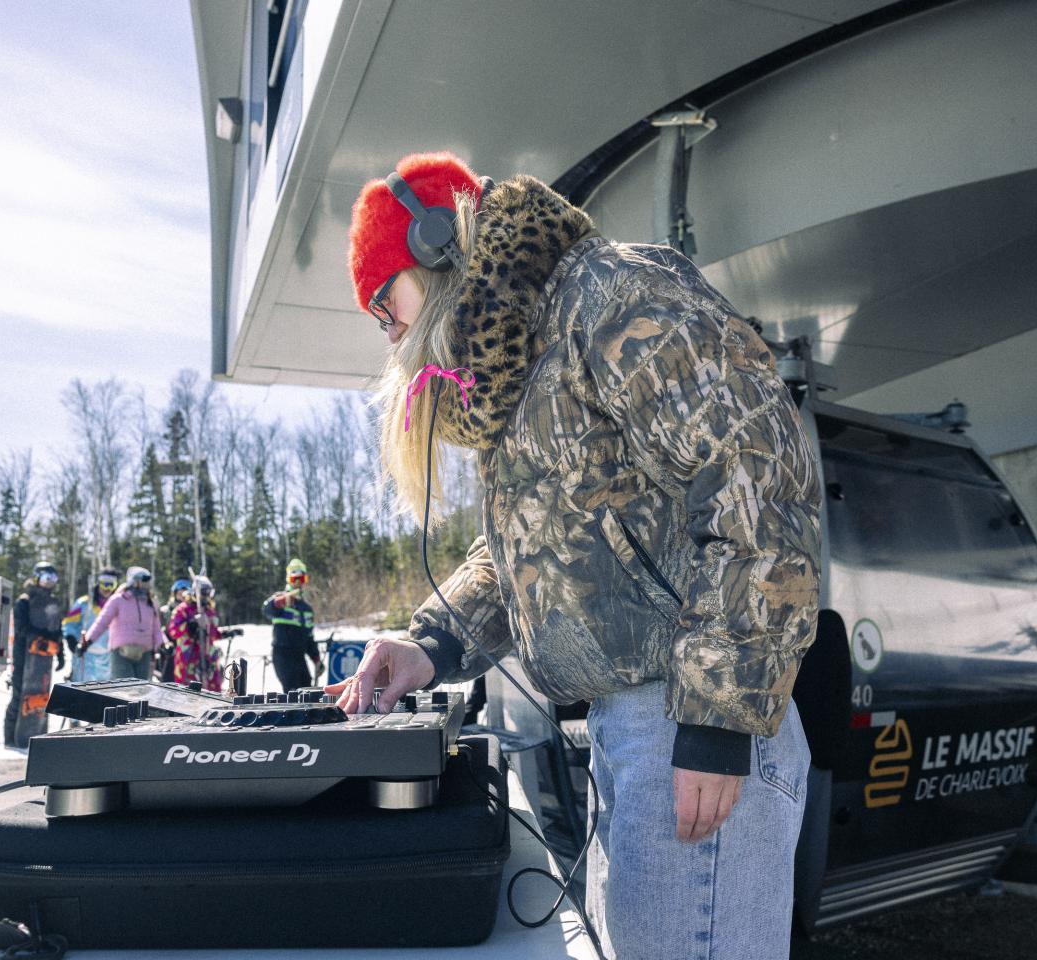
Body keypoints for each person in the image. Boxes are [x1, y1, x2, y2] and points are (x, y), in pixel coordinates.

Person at [331, 154, 821, 959]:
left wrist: (717, 722)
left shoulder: (612, 298)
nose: (387, 330)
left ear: (439, 246)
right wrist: (429, 643)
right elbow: (538, 547)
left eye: (386, 301)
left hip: (690, 722)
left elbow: (757, 473)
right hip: (630, 733)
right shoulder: (524, 367)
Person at [6, 560, 65, 748]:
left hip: (45, 658)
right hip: (25, 655)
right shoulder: (24, 601)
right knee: (19, 696)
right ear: (37, 577)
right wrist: (41, 640)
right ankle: (10, 740)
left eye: (53, 578)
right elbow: (22, 629)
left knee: (41, 696)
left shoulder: (53, 602)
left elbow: (57, 630)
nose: (49, 582)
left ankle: (37, 734)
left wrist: (60, 651)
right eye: (46, 577)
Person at [83, 566, 159, 680]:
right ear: (135, 581)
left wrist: (163, 645)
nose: (147, 584)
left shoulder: (149, 603)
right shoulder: (118, 600)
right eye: (144, 580)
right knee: (123, 690)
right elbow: (102, 621)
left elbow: (156, 628)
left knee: (142, 689)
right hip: (121, 652)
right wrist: (88, 641)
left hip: (144, 653)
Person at [262, 558, 322, 693]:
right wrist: (278, 602)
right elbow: (266, 610)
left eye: (301, 580)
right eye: (294, 579)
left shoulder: (306, 608)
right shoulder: (280, 598)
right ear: (289, 579)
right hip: (282, 654)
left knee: (308, 690)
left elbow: (309, 637)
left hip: (299, 655)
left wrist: (316, 658)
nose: (298, 584)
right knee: (292, 692)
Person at [167, 574, 223, 692]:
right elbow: (173, 631)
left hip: (208, 656)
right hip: (188, 657)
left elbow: (212, 632)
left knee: (212, 689)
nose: (206, 597)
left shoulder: (209, 610)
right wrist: (189, 625)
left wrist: (224, 633)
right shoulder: (183, 609)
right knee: (188, 691)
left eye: (208, 593)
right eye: (203, 593)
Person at [62, 569, 118, 682]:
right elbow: (69, 624)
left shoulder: (117, 605)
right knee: (82, 691)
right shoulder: (83, 603)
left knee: (105, 692)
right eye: (104, 584)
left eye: (111, 585)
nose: (107, 589)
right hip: (85, 656)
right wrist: (71, 640)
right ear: (98, 584)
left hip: (107, 658)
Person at [155, 577, 193, 682]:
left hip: (187, 651)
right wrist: (165, 644)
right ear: (175, 593)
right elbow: (159, 629)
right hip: (169, 651)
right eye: (180, 592)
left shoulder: (192, 610)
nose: (183, 595)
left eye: (185, 592)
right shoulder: (165, 611)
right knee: (168, 681)